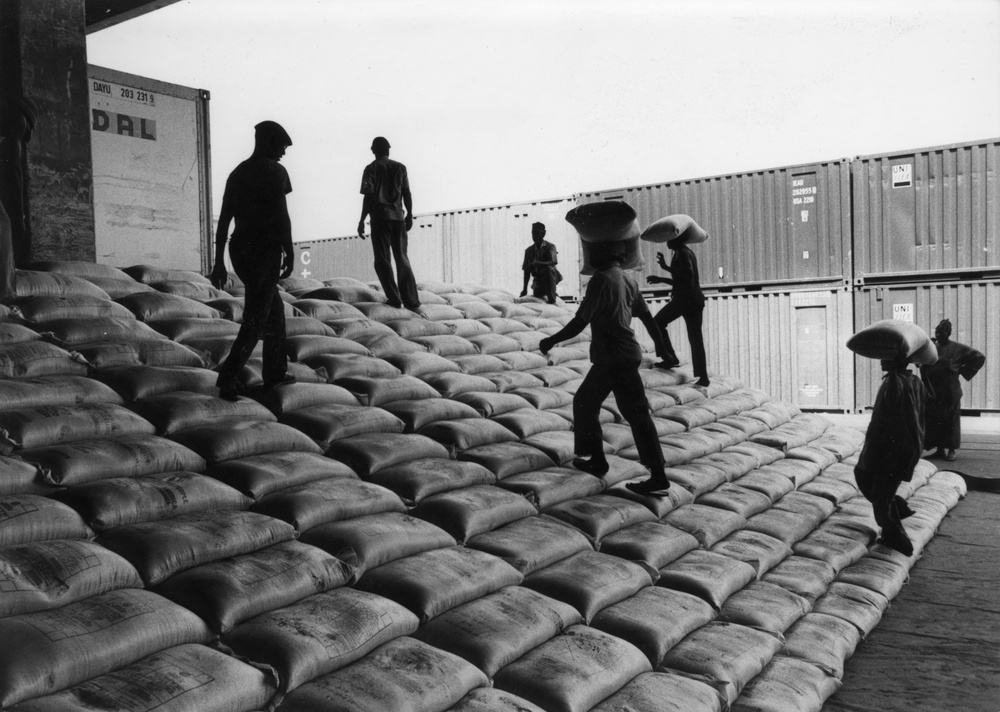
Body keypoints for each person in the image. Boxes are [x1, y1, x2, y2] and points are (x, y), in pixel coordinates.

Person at [539, 227, 671, 497]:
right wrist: (662, 347)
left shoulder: (600, 281)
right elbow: (647, 318)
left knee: (633, 414)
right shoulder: (628, 281)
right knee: (591, 403)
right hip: (625, 355)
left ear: (601, 254)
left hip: (613, 358)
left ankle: (656, 475)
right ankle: (599, 459)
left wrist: (551, 340)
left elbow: (580, 321)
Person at [209, 120, 296, 401]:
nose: (283, 152)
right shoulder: (275, 171)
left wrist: (219, 262)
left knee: (275, 310)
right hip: (265, 250)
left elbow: (224, 220)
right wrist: (289, 250)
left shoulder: (238, 173)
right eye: (281, 146)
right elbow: (281, 216)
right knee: (257, 318)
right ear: (267, 142)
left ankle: (275, 373)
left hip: (240, 250)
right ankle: (228, 377)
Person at [854, 355, 925, 556]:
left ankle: (898, 539)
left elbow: (893, 405)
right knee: (864, 476)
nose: (881, 360)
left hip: (890, 449)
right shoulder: (915, 380)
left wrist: (893, 377)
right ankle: (898, 508)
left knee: (881, 493)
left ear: (895, 362)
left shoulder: (895, 382)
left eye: (886, 358)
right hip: (904, 446)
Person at [357, 137, 419, 310]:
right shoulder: (400, 167)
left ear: (373, 150)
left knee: (383, 260)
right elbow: (407, 193)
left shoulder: (371, 168)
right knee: (402, 259)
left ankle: (394, 298)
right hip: (398, 218)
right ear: (388, 150)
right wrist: (410, 214)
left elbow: (368, 197)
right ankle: (412, 301)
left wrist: (362, 220)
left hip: (380, 218)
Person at [646, 233, 709, 387]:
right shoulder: (686, 252)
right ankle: (703, 376)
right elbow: (681, 280)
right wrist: (661, 278)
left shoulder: (681, 253)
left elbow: (687, 274)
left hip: (685, 300)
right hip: (694, 300)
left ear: (675, 240)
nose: (667, 242)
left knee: (657, 323)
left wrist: (666, 267)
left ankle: (670, 358)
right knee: (696, 338)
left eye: (669, 239)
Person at [920, 318, 986, 462]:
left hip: (950, 391)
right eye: (937, 332)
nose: (938, 335)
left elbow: (979, 357)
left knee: (951, 420)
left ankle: (951, 450)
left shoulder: (958, 348)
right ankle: (939, 450)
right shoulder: (933, 347)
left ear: (948, 333)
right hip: (933, 390)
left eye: (942, 332)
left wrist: (963, 370)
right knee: (936, 419)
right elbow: (922, 363)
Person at [520, 221, 561, 303]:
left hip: (552, 277)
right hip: (538, 281)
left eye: (537, 234)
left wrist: (538, 263)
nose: (534, 236)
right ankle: (548, 291)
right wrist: (524, 289)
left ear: (543, 234)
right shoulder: (529, 251)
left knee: (549, 269)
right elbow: (526, 271)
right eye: (533, 234)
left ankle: (552, 299)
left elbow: (553, 262)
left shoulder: (550, 246)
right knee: (538, 292)